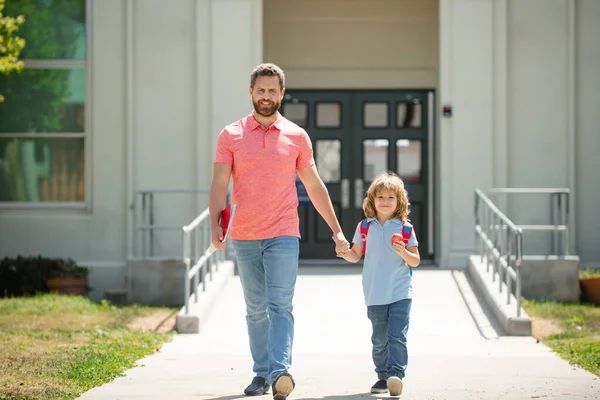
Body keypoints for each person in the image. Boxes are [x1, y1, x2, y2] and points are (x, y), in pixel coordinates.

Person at [208, 63, 350, 400]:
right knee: (256, 307)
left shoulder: (297, 136)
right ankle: (261, 374)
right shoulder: (231, 135)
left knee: (281, 304)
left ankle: (280, 372)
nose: (267, 97)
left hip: (284, 232)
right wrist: (216, 223)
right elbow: (219, 183)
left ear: (282, 94)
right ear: (251, 93)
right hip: (243, 234)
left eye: (273, 91)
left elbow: (314, 186)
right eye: (261, 91)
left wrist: (336, 230)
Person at [337, 171, 420, 397]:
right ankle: (382, 376)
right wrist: (344, 252)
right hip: (374, 292)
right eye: (380, 197)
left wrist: (403, 251)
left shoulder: (405, 228)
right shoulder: (365, 227)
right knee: (379, 339)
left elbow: (416, 260)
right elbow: (356, 255)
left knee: (397, 335)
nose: (385, 202)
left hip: (401, 291)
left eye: (390, 198)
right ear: (372, 200)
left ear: (399, 201)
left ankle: (396, 376)